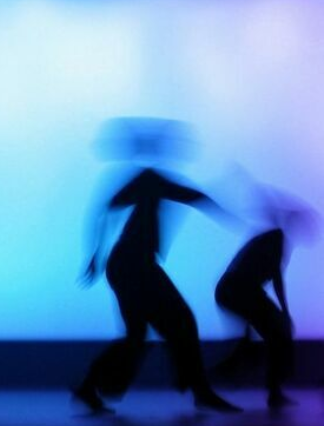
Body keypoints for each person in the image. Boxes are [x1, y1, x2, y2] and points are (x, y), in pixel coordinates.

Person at [73, 118, 240, 414]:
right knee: (181, 322)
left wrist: (97, 256)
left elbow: (109, 210)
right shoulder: (150, 178)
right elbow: (193, 196)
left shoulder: (149, 180)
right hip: (133, 265)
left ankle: (90, 388)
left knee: (138, 335)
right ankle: (200, 390)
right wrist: (229, 214)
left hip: (131, 264)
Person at [214, 188, 319, 408]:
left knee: (269, 334)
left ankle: (234, 367)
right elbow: (276, 277)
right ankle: (261, 383)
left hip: (234, 291)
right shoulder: (276, 239)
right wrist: (285, 311)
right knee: (278, 333)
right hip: (238, 291)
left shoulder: (271, 238)